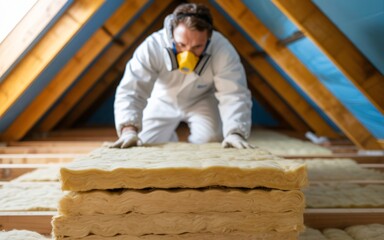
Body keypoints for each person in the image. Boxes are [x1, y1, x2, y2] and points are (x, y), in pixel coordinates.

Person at [112, 3, 253, 149]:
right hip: (162, 98)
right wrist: (128, 130)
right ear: (171, 34)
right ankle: (170, 139)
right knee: (144, 141)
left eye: (197, 47)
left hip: (202, 99)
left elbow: (234, 93)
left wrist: (236, 132)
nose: (188, 53)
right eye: (181, 44)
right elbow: (132, 89)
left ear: (209, 39)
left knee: (212, 141)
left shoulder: (222, 50)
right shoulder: (152, 46)